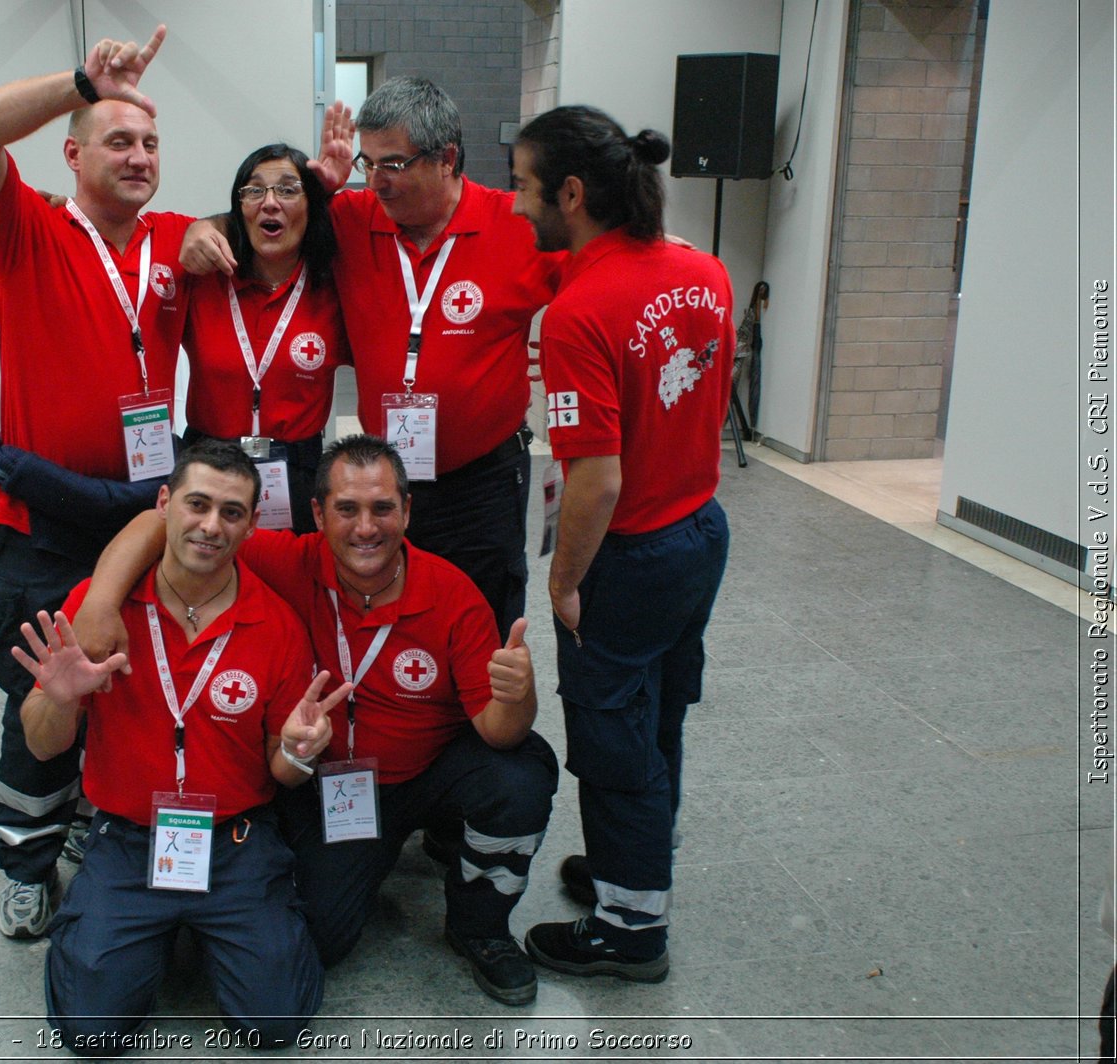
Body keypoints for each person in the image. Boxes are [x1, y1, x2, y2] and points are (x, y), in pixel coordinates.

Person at [75, 435, 559, 1006]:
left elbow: (499, 732)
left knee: (521, 772)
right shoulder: (283, 559)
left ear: (407, 510)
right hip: (329, 782)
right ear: (317, 515)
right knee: (320, 941)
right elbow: (161, 524)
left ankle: (481, 927)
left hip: (425, 773)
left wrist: (517, 697)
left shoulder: (452, 594)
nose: (365, 528)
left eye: (382, 508)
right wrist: (101, 601)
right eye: (347, 509)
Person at [0, 25, 195, 938]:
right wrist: (83, 80)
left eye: (150, 142)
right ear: (73, 151)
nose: (137, 157)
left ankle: (95, 816)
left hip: (141, 513)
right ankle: (25, 856)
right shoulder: (27, 230)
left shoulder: (176, 239)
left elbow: (273, 238)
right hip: (44, 518)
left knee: (125, 678)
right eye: (118, 140)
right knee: (42, 689)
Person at [184, 77, 565, 640]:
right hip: (388, 478)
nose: (376, 181)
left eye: (393, 164)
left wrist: (648, 249)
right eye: (368, 163)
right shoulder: (354, 218)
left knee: (483, 623)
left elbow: (599, 264)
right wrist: (201, 227)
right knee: (379, 618)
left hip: (480, 481)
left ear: (448, 159)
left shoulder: (518, 226)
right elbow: (266, 220)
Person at [12, 441, 345, 1052]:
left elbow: (283, 770)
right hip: (129, 838)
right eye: (197, 504)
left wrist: (301, 751)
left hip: (236, 841)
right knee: (89, 1032)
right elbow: (40, 748)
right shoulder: (99, 609)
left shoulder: (275, 624)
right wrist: (58, 698)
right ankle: (134, 928)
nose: (211, 526)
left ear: (251, 522)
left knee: (275, 1025)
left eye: (232, 512)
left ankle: (206, 926)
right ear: (164, 503)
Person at [510, 105, 734, 983]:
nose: (514, 200)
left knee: (612, 745)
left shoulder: (578, 315)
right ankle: (630, 873)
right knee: (659, 718)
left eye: (525, 184)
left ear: (572, 192)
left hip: (632, 553)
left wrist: (566, 580)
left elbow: (595, 480)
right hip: (699, 531)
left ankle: (630, 929)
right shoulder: (703, 270)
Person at [179, 143, 348, 535]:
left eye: (288, 189)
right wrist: (200, 226)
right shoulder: (204, 280)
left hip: (296, 470)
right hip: (208, 466)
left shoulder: (335, 287)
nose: (270, 202)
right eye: (254, 190)